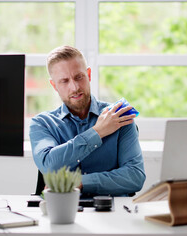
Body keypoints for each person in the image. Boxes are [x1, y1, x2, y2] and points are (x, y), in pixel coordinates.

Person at [29, 45, 145, 196]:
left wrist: (79, 182)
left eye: (79, 77)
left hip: (111, 213)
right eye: (64, 81)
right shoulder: (42, 123)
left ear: (88, 74)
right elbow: (49, 166)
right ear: (54, 85)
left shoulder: (118, 116)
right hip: (64, 211)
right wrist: (97, 133)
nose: (75, 87)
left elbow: (135, 177)